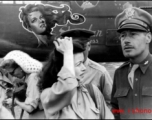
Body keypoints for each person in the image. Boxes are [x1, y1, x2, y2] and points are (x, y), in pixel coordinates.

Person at [38, 31, 114, 119]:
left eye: (82, 62)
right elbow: (68, 87)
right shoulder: (48, 96)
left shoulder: (92, 91)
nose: (84, 68)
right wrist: (68, 54)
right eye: (78, 64)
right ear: (63, 68)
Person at [111, 5, 152, 119]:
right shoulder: (120, 73)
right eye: (123, 36)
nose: (126, 40)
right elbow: (116, 110)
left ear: (148, 37)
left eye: (133, 34)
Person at [60, 29, 113, 109]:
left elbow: (110, 102)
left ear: (89, 46)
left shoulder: (100, 72)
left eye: (81, 48)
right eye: (72, 48)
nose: (77, 52)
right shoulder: (56, 70)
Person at [0, 50, 45, 119]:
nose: (13, 76)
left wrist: (15, 101)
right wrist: (14, 95)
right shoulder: (29, 77)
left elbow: (29, 108)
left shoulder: (33, 78)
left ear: (20, 67)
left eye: (12, 73)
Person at [19, 3, 85, 48]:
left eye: (41, 17)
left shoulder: (59, 40)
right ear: (29, 27)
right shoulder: (38, 47)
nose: (41, 20)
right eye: (34, 20)